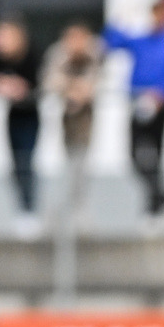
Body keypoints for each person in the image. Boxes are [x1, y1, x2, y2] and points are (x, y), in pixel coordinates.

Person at [104, 0, 164, 217]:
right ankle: (160, 195)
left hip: (161, 104)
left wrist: (163, 94)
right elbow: (112, 42)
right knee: (134, 154)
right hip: (138, 101)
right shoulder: (142, 41)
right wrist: (120, 16)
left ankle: (155, 204)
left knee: (157, 154)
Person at [0, 18, 43, 237]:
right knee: (14, 162)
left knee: (26, 160)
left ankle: (29, 209)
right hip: (12, 114)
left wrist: (19, 87)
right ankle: (21, 208)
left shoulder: (31, 55)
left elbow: (37, 83)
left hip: (30, 115)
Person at [41, 21, 104, 214]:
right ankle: (61, 210)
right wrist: (69, 88)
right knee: (64, 164)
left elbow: (100, 80)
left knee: (82, 164)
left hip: (87, 117)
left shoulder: (95, 54)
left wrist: (83, 91)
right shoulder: (58, 54)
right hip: (61, 117)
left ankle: (80, 210)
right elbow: (50, 80)